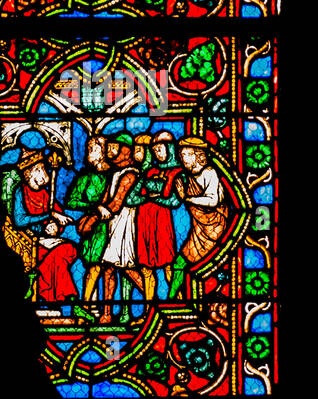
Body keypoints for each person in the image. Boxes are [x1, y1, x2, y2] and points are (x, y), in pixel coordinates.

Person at [167, 137, 231, 303]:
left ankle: (174, 300)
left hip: (213, 228)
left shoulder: (209, 172)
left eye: (185, 155)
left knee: (181, 263)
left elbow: (212, 200)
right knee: (180, 263)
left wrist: (188, 198)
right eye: (181, 155)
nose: (182, 159)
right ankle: (174, 299)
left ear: (196, 155)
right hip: (198, 230)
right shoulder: (186, 177)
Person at [9, 150, 80, 303]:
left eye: (44, 169)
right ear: (30, 173)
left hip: (46, 242)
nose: (45, 173)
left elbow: (57, 215)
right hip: (28, 243)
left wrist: (56, 226)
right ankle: (67, 298)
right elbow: (19, 220)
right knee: (59, 255)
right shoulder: (20, 192)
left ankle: (45, 291)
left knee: (69, 250)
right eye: (40, 169)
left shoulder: (45, 194)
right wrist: (48, 217)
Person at [96, 134, 145, 323]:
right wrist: (99, 210)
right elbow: (106, 199)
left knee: (125, 268)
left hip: (126, 223)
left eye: (115, 148)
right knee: (111, 268)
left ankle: (154, 301)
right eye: (109, 149)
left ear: (127, 150)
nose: (111, 152)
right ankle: (107, 314)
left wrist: (101, 212)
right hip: (113, 224)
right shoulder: (116, 172)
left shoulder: (131, 173)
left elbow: (117, 202)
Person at [65, 133, 111, 320]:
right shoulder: (85, 177)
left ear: (104, 152)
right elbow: (71, 201)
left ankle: (106, 311)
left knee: (108, 270)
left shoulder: (114, 174)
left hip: (115, 226)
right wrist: (95, 207)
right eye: (88, 149)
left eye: (93, 149)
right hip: (94, 228)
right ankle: (87, 306)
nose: (89, 153)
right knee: (93, 266)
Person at [135, 131, 185, 300]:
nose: (158, 153)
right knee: (145, 269)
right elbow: (135, 195)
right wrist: (153, 196)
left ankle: (178, 301)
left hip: (162, 222)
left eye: (161, 149)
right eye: (155, 150)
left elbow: (175, 201)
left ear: (170, 149)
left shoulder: (178, 172)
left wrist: (153, 198)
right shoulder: (149, 172)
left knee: (168, 264)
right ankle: (149, 307)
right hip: (144, 222)